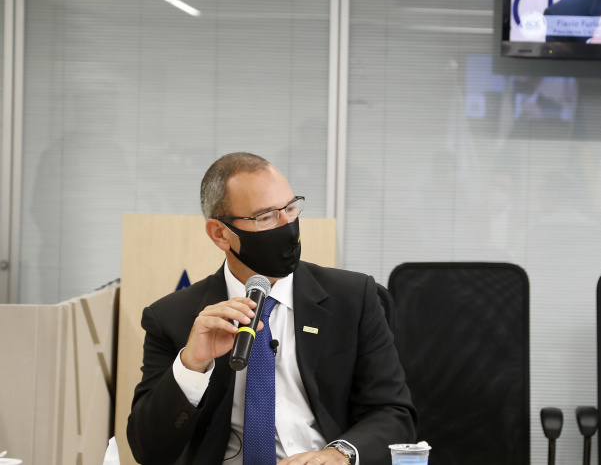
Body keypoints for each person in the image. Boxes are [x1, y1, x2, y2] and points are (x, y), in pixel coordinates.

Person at [127, 152, 416, 465]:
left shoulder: (353, 298)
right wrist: (192, 364)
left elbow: (394, 414)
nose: (288, 225)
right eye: (265, 217)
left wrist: (339, 454)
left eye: (291, 208)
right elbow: (149, 451)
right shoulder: (173, 318)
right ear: (220, 234)